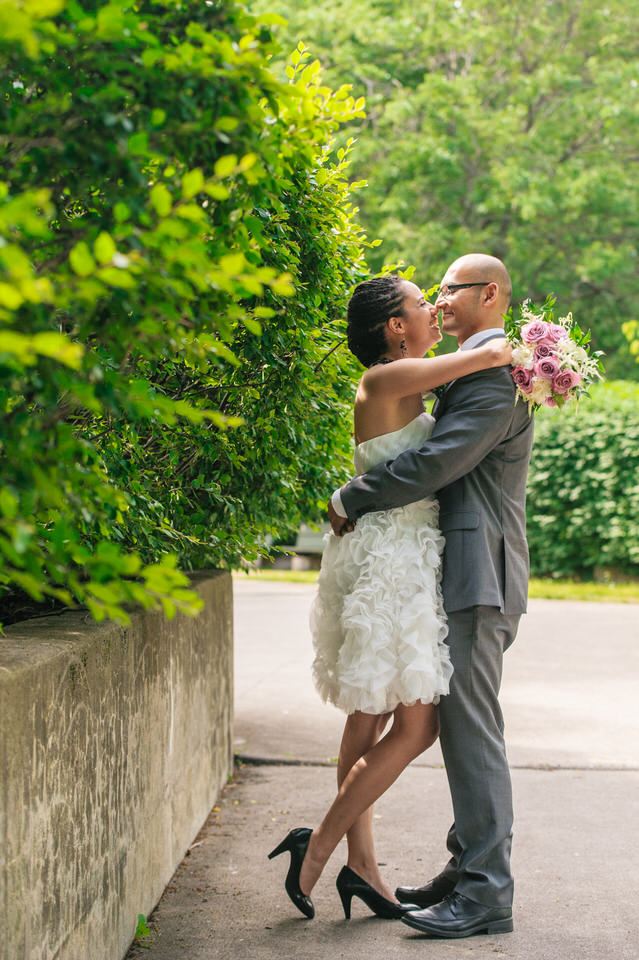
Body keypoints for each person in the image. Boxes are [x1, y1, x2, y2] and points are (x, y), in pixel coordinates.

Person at [268, 269, 513, 923]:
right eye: (419, 303)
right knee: (412, 724)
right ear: (393, 327)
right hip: (391, 557)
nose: (432, 309)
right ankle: (323, 850)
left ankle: (359, 864)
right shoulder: (383, 378)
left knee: (369, 719)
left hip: (397, 550)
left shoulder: (402, 379)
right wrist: (528, 345)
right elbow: (489, 356)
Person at [328, 253, 534, 939]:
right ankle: (464, 867)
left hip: (477, 571)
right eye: (433, 293)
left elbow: (435, 463)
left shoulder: (490, 375)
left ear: (490, 294)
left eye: (448, 290)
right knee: (448, 727)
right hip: (446, 567)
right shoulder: (472, 366)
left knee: (469, 732)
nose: (439, 302)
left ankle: (484, 893)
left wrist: (352, 493)